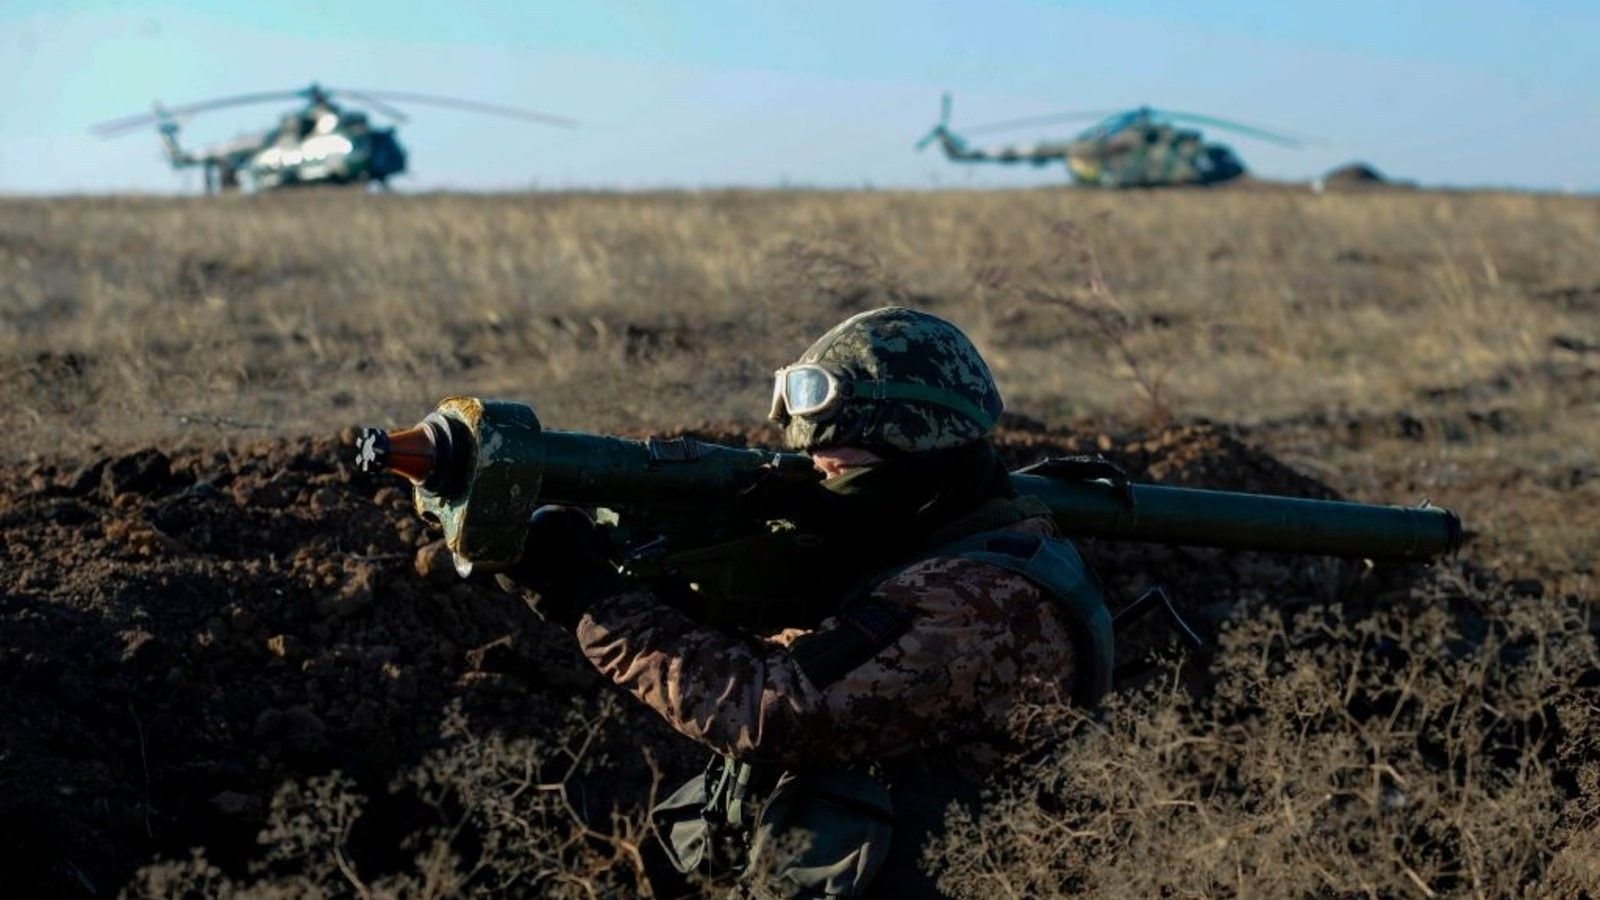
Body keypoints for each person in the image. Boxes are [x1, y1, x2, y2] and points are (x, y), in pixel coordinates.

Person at [498, 307, 1113, 898]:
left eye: (838, 466)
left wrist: (596, 602)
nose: (819, 473)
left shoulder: (974, 600)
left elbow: (775, 712)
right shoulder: (934, 543)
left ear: (919, 451)